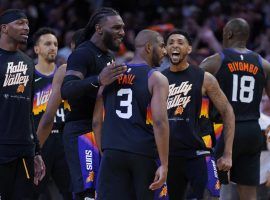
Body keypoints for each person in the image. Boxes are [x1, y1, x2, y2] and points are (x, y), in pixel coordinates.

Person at [93, 29, 169, 200]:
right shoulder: (156, 78)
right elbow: (160, 123)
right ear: (149, 47)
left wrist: (104, 150)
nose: (165, 51)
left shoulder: (110, 74)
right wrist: (164, 164)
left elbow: (97, 121)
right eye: (162, 46)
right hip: (142, 153)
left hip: (112, 150)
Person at [200, 18, 270, 200]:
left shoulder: (214, 61)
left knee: (212, 190)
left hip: (223, 130)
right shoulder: (263, 64)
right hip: (253, 131)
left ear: (228, 34)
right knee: (248, 193)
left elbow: (190, 95)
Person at [60, 7, 126, 199]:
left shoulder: (108, 56)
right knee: (87, 194)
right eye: (116, 28)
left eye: (122, 28)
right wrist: (98, 79)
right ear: (99, 29)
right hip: (82, 131)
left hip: (102, 130)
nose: (122, 32)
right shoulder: (83, 54)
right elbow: (67, 90)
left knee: (102, 191)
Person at [162, 29, 235, 200]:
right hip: (169, 155)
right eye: (171, 42)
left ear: (189, 49)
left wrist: (228, 154)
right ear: (165, 49)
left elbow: (228, 112)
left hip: (199, 153)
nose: (175, 45)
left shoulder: (204, 78)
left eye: (180, 42)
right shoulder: (158, 79)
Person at [0, 9, 45, 199]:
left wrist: (36, 151)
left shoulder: (27, 62)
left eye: (27, 23)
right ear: (4, 28)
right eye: (20, 23)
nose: (26, 27)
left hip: (24, 150)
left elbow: (28, 111)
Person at [32, 27, 72, 199]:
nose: (53, 47)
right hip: (40, 142)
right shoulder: (29, 76)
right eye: (47, 43)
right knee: (33, 192)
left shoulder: (67, 74)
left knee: (71, 192)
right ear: (36, 49)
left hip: (64, 140)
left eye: (55, 44)